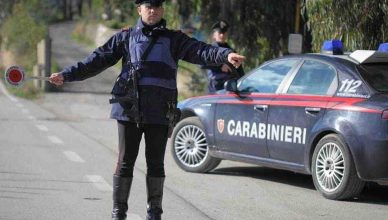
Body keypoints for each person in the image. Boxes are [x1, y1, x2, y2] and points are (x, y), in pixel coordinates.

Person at [49, 0, 245, 219]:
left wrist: (224, 55)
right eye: (147, 6)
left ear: (162, 9)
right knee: (125, 163)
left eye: (156, 6)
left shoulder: (174, 39)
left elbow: (201, 50)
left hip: (160, 111)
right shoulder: (125, 37)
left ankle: (155, 213)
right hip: (129, 110)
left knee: (156, 164)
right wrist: (66, 75)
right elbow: (96, 60)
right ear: (139, 9)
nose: (152, 10)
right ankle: (118, 212)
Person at [202, 20, 245, 93]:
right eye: (220, 33)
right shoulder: (210, 49)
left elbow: (239, 70)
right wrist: (220, 66)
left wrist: (243, 82)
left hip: (231, 87)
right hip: (216, 87)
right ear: (214, 35)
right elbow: (202, 64)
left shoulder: (231, 51)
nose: (222, 35)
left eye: (224, 33)